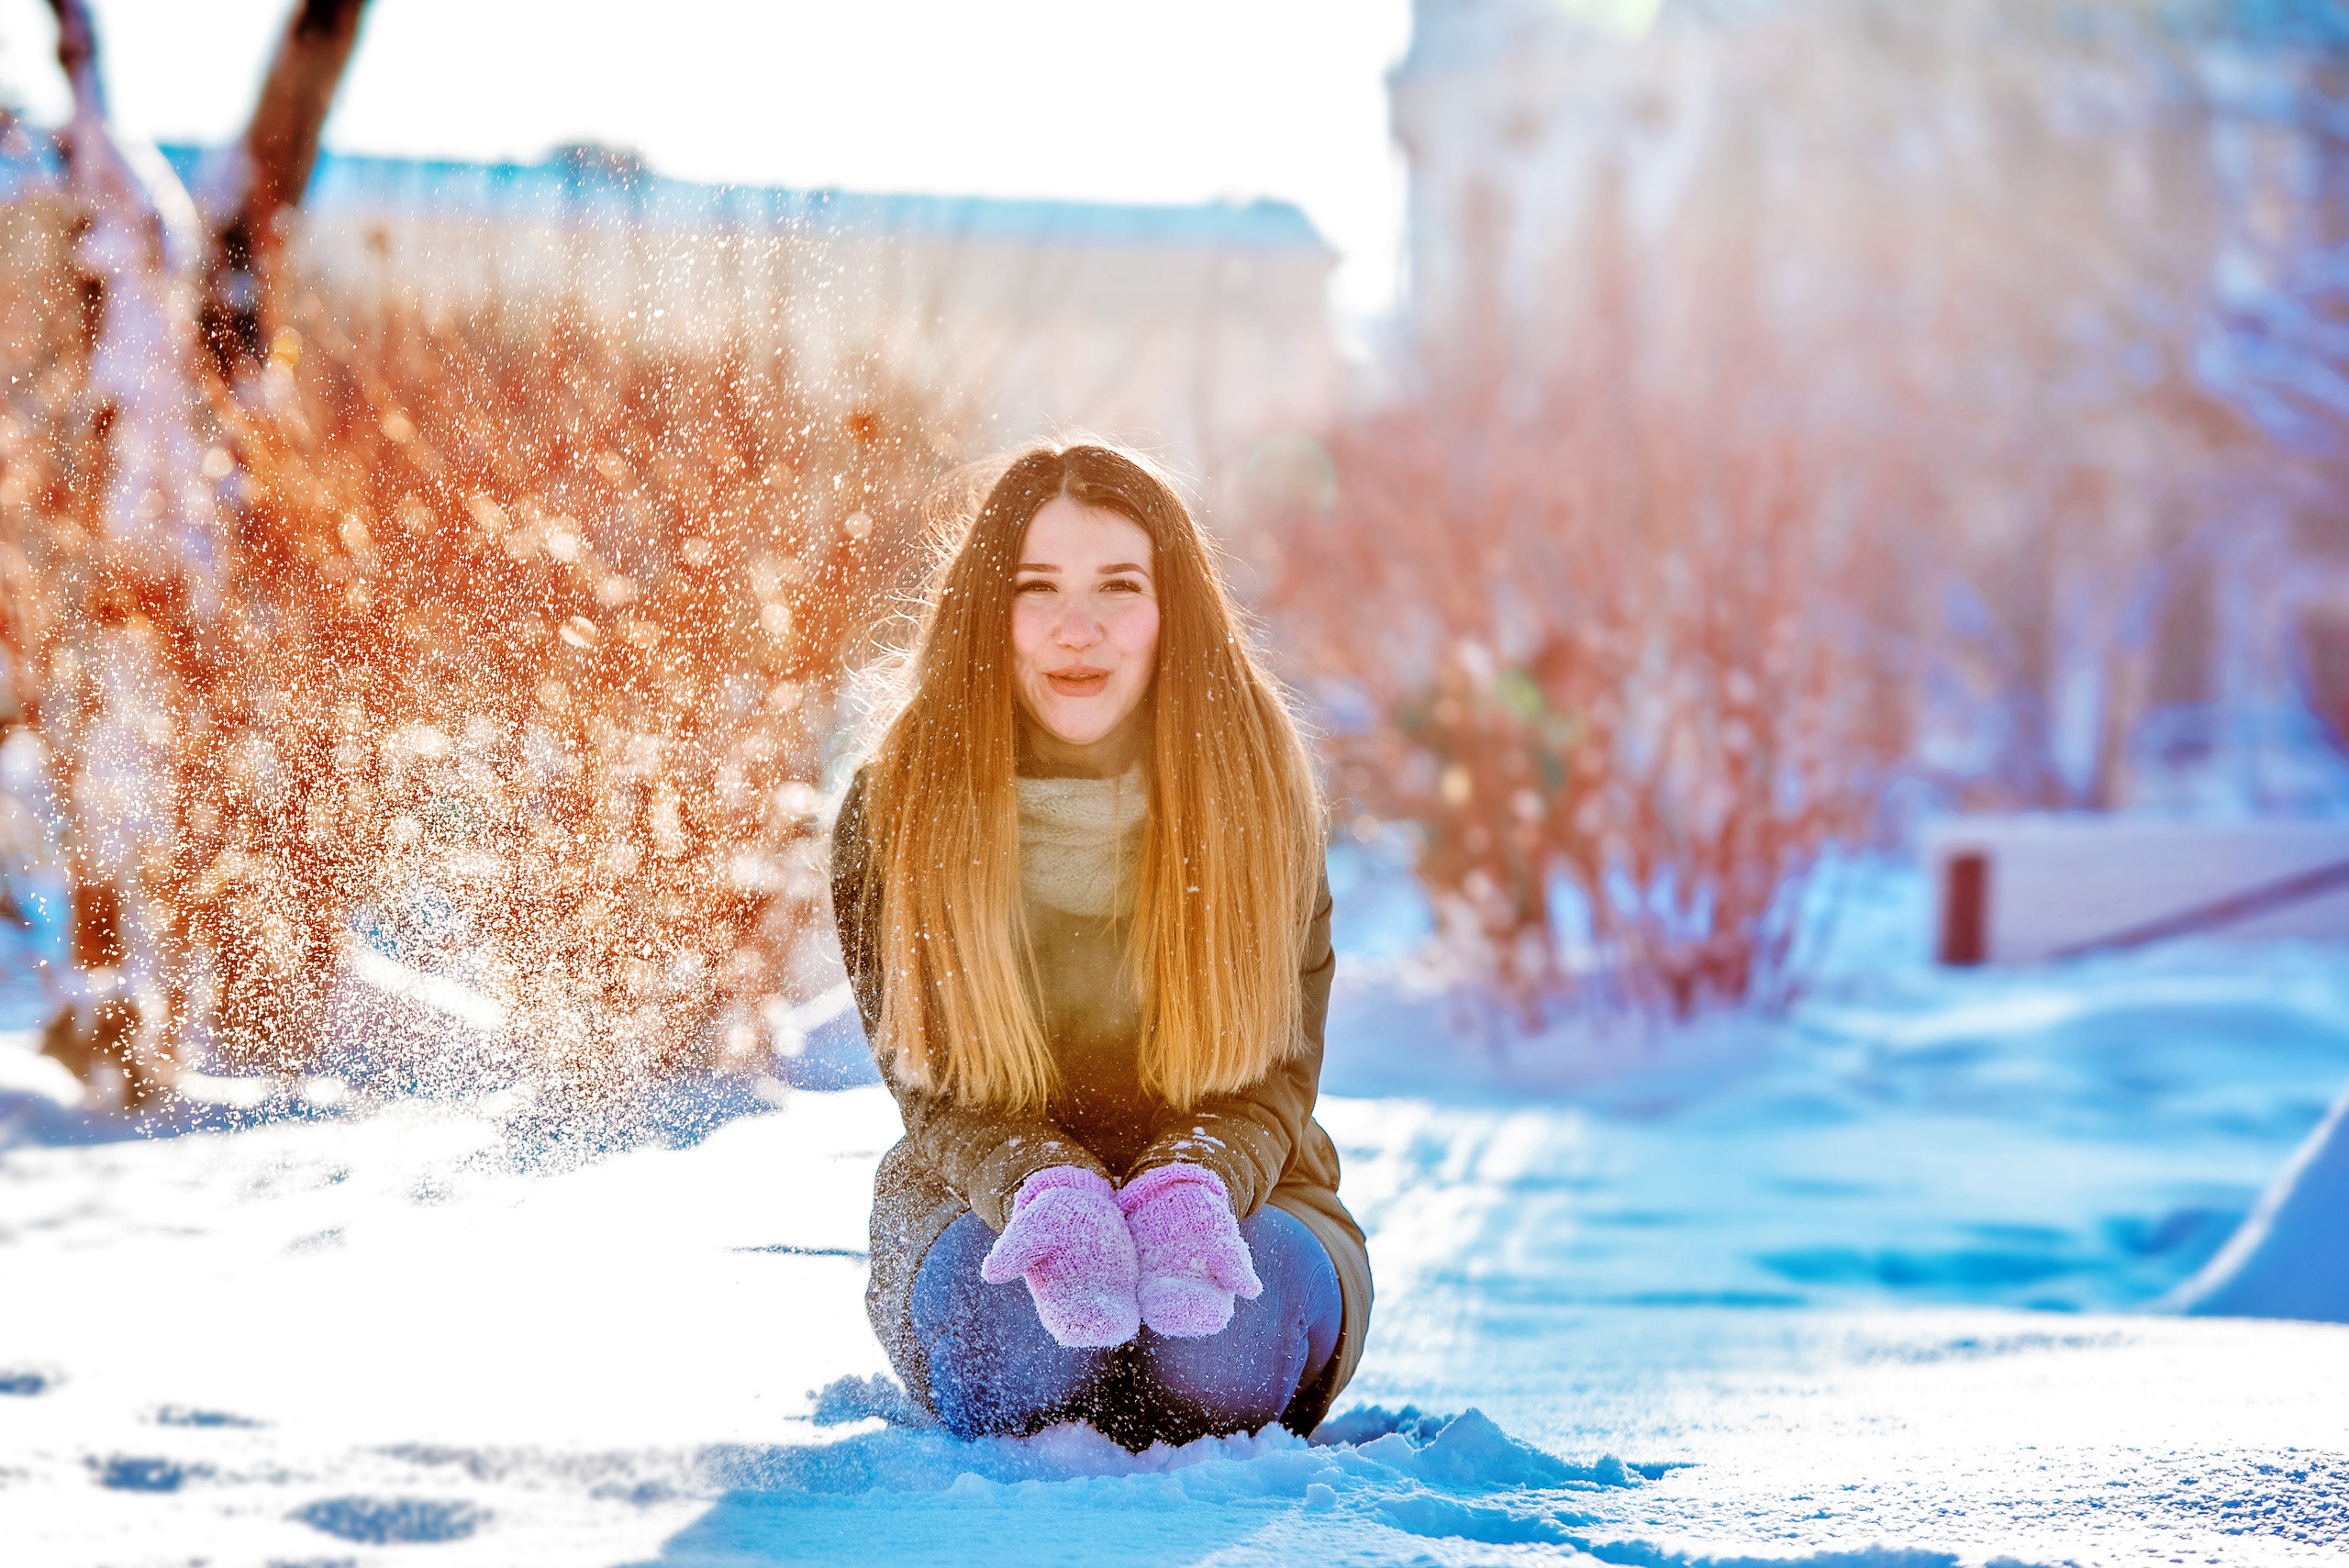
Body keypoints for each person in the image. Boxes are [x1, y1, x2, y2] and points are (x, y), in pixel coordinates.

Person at [829, 441, 1370, 1450]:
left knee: (1218, 1349)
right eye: (1037, 588)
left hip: (1249, 1190)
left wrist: (1191, 1182)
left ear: (1174, 609)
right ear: (990, 614)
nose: (1078, 628)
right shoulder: (898, 803)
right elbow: (932, 1086)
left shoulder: (1260, 792)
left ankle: (1206, 1269)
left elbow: (1277, 1080)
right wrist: (1045, 1186)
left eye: (1118, 585)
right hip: (974, 1196)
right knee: (1020, 1349)